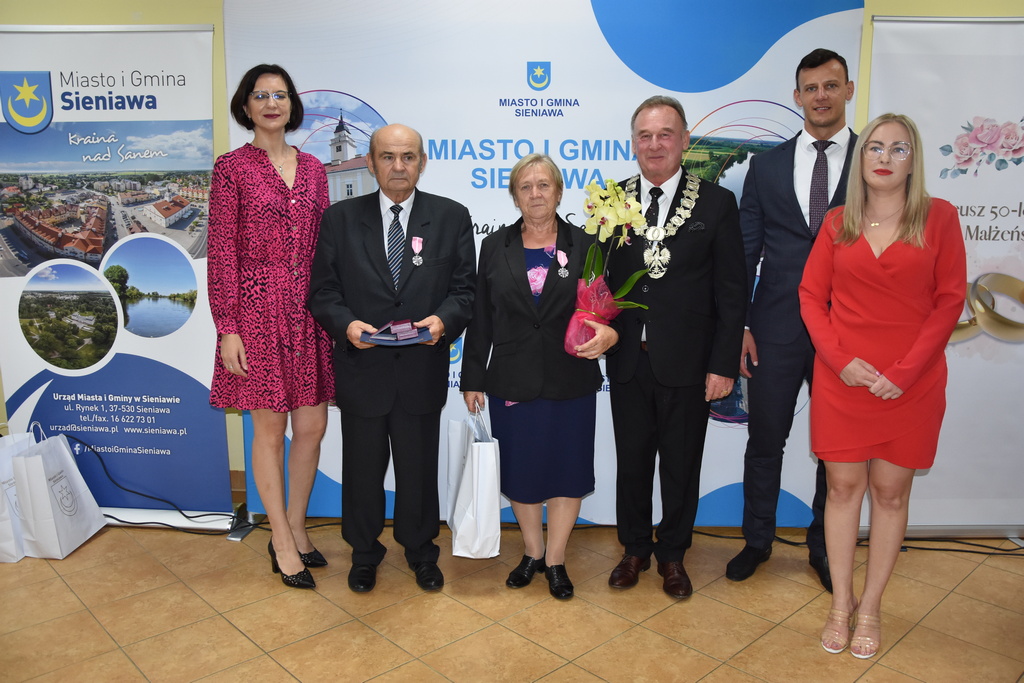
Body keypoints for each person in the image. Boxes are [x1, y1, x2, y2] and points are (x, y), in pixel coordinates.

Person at [799, 113, 966, 658]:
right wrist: (840, 361)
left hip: (910, 383)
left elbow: (950, 301)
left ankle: (870, 608)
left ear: (913, 160)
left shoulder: (940, 218)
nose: (885, 158)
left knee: (891, 495)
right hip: (842, 380)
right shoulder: (837, 222)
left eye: (898, 149)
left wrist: (905, 372)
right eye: (875, 147)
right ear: (861, 157)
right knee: (842, 490)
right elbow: (811, 297)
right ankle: (840, 604)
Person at [308, 123, 475, 593]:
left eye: (407, 157)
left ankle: (421, 551)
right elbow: (323, 292)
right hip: (362, 370)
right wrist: (347, 326)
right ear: (370, 162)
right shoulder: (340, 219)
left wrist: (442, 321)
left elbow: (465, 291)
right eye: (387, 156)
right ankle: (364, 553)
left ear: (422, 163)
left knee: (418, 470)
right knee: (361, 471)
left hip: (421, 371)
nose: (398, 166)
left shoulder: (451, 217)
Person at [604, 96, 747, 599]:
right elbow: (598, 282)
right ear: (633, 143)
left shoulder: (716, 203)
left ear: (685, 140)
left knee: (681, 464)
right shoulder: (612, 202)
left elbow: (732, 292)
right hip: (628, 359)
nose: (654, 144)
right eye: (644, 135)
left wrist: (723, 364)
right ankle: (634, 549)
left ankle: (673, 554)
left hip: (689, 362)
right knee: (632, 462)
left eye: (665, 134)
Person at [727, 48, 857, 591]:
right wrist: (740, 325)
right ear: (797, 95)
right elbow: (746, 252)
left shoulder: (872, 162)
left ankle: (825, 547)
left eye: (831, 85)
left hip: (848, 330)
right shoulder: (766, 166)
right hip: (775, 327)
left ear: (848, 90)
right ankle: (757, 540)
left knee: (837, 449)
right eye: (811, 87)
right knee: (764, 441)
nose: (821, 96)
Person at [461, 154, 618, 600]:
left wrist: (610, 332)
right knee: (522, 470)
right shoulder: (495, 246)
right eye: (525, 186)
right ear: (514, 196)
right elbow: (481, 318)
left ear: (559, 192)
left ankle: (556, 559)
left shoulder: (586, 244)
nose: (535, 194)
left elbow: (602, 307)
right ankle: (532, 551)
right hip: (511, 379)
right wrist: (472, 378)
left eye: (544, 185)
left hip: (570, 378)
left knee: (568, 470)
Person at [208, 64, 333, 589]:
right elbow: (221, 251)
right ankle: (280, 539)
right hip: (256, 311)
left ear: (291, 105)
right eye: (260, 95)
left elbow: (328, 245)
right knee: (269, 430)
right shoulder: (231, 168)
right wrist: (228, 327)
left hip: (310, 311)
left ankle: (298, 526)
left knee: (312, 427)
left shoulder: (315, 169)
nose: (271, 103)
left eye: (279, 95)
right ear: (246, 106)